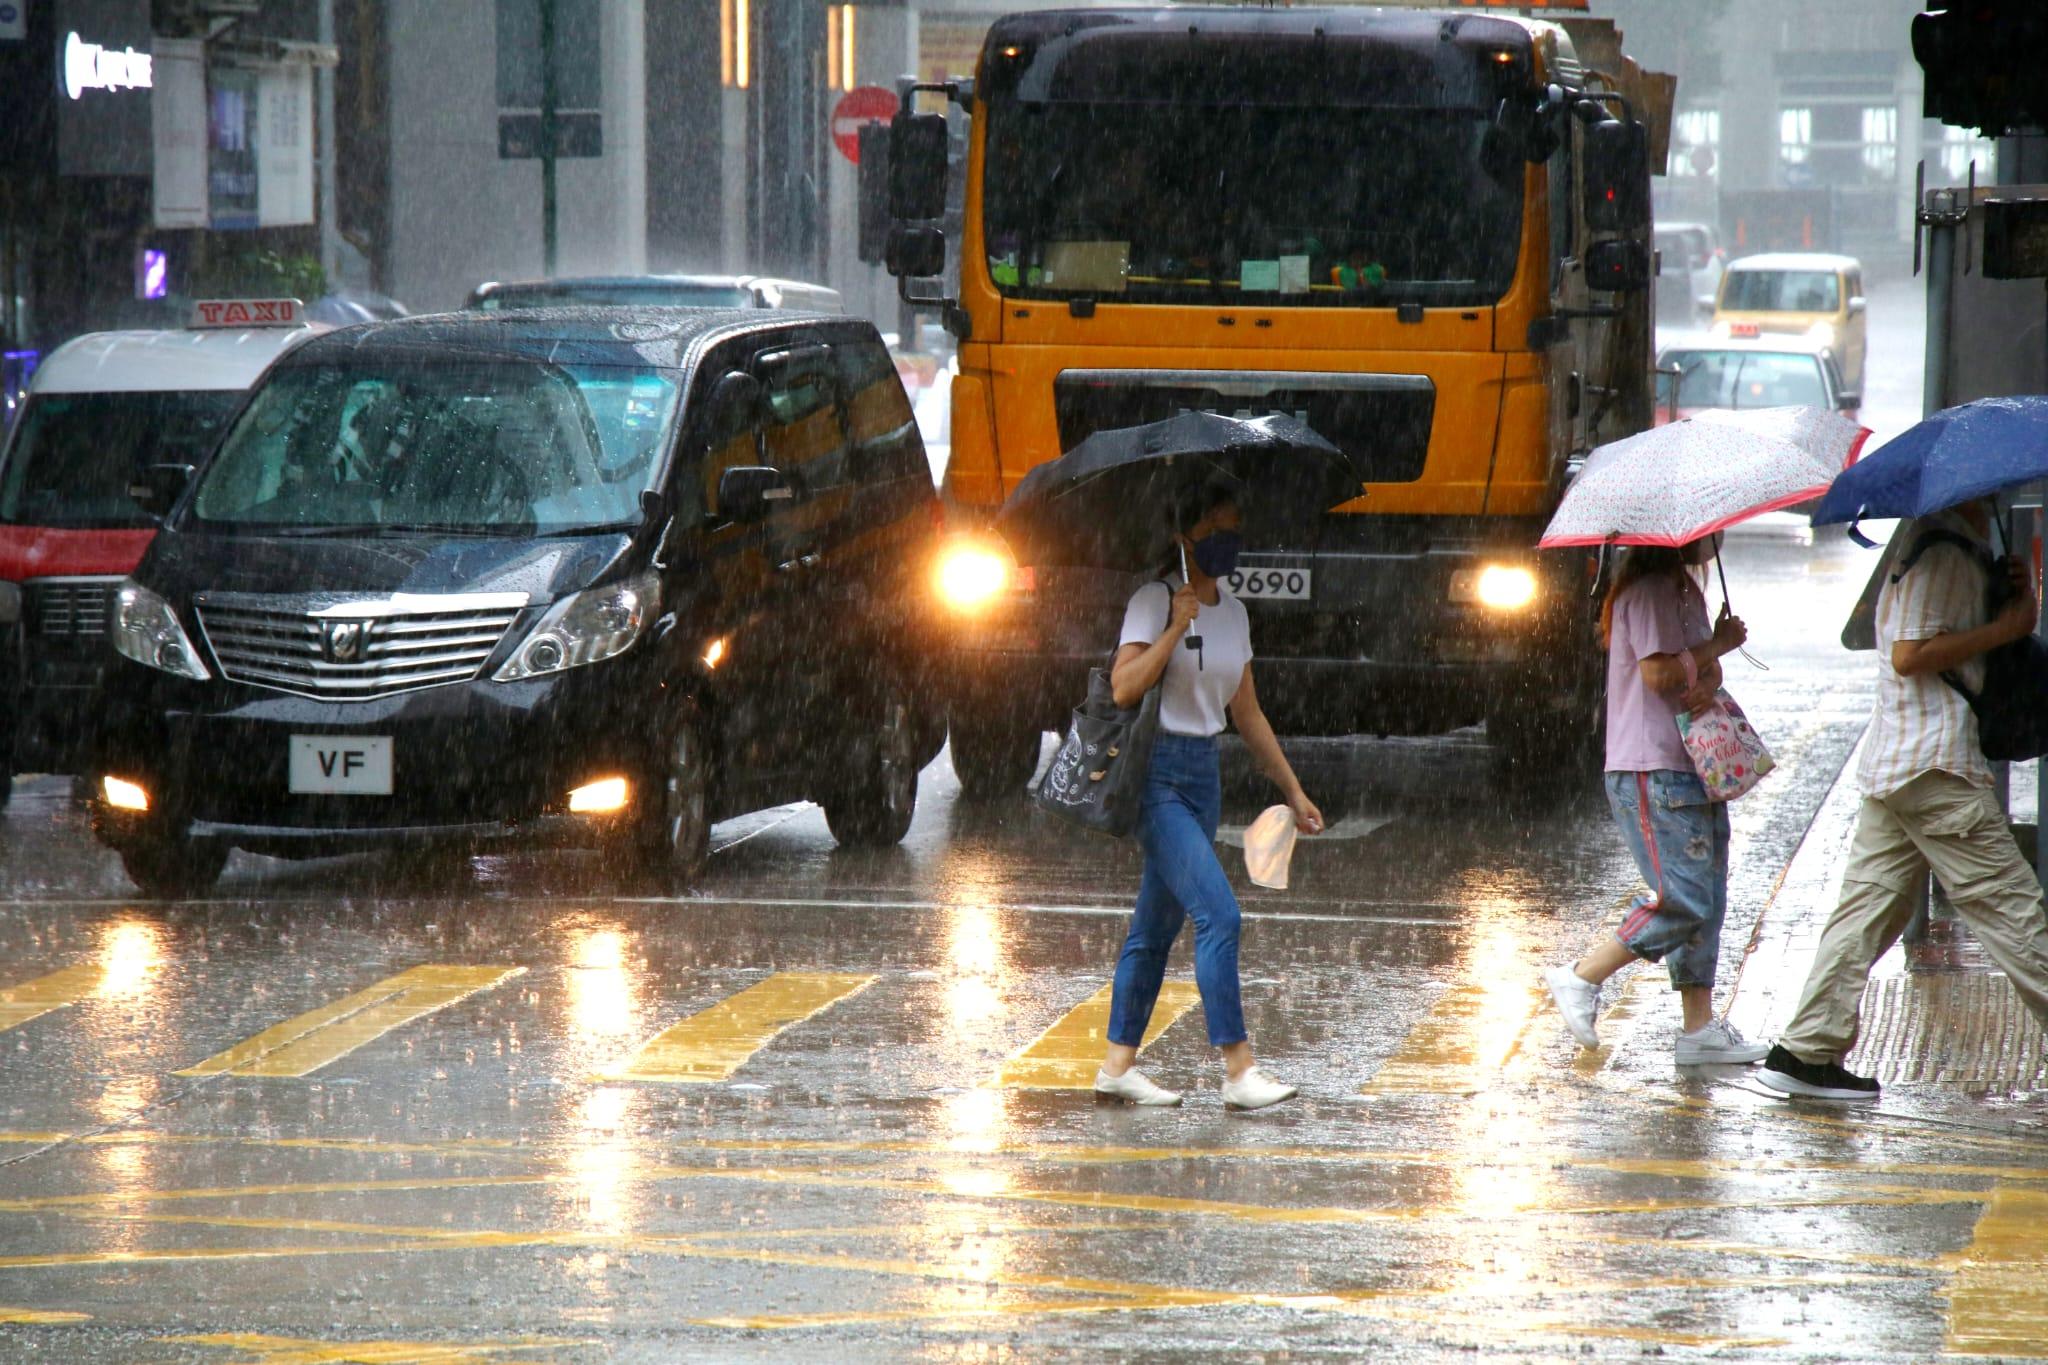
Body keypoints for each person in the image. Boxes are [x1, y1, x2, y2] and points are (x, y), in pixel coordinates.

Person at [1759, 498, 2048, 1101]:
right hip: (1935, 765)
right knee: (2013, 909)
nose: (1998, 496)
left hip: (1899, 764)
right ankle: (1808, 1047)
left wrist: (2003, 590)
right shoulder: (1941, 551)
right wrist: (2009, 627)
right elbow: (1909, 655)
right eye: (1991, 488)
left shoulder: (1940, 547)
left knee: (1867, 911)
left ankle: (1806, 1050)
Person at [1093, 484, 1324, 1111]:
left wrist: (1293, 789)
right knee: (1219, 915)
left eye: (1236, 526)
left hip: (1205, 775)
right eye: (1218, 527)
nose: (1231, 540)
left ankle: (1117, 1066)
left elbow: (1245, 712)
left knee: (1154, 927)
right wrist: (1173, 627)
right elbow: (1123, 687)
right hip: (1158, 775)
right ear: (1185, 535)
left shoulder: (1236, 612)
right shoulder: (1154, 599)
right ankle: (1238, 1069)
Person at [1543, 536, 1771, 1065]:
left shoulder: (1685, 588)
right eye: (1710, 535)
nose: (1716, 541)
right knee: (1685, 898)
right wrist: (1716, 647)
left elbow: (1694, 672)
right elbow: (1658, 673)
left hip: (1694, 762)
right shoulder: (1646, 592)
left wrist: (1708, 670)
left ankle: (1698, 1030)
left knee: (1707, 900)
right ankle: (1582, 977)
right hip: (1653, 767)